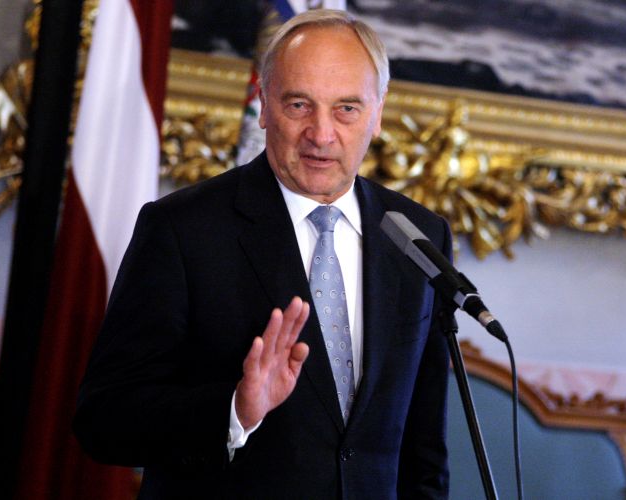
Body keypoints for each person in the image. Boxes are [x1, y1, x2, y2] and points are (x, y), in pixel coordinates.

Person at [74, 9, 452, 499]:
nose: (321, 133)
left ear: (377, 113)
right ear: (264, 104)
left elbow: (424, 449)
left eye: (346, 108)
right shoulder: (183, 230)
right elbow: (104, 419)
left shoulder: (417, 236)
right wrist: (234, 410)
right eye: (299, 105)